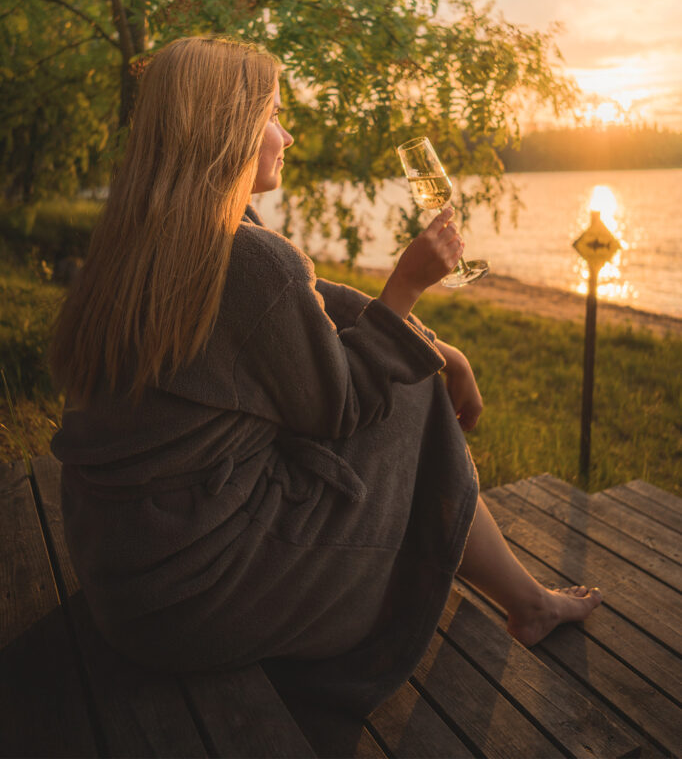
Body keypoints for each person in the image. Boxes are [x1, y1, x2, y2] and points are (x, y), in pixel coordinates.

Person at [49, 35, 601, 717]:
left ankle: (526, 600)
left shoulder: (141, 236)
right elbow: (339, 407)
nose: (286, 133)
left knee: (411, 368)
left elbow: (315, 302)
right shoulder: (249, 262)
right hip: (198, 596)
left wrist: (435, 342)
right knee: (406, 389)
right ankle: (527, 604)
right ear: (229, 133)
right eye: (273, 116)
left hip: (126, 574)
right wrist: (405, 291)